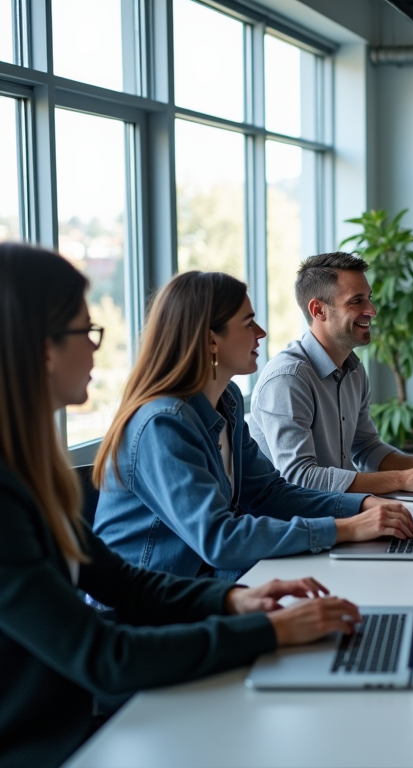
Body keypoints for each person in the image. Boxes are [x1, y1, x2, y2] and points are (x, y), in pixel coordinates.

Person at [0, 243, 364, 768]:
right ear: (42, 349)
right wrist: (271, 627)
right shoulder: (12, 493)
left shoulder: (32, 473)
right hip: (62, 739)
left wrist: (234, 602)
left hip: (89, 702)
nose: (98, 350)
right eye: (86, 331)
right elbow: (105, 657)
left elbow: (122, 581)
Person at [92, 271, 413, 581]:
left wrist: (360, 505)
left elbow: (268, 493)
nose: (261, 333)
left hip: (204, 580)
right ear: (211, 341)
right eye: (248, 323)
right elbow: (220, 540)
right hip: (149, 605)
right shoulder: (163, 424)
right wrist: (347, 528)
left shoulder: (227, 399)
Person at [249, 251, 413, 495]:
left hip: (341, 508)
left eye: (369, 298)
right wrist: (403, 479)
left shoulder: (353, 369)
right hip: (302, 523)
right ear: (319, 310)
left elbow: (367, 449)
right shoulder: (288, 378)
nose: (372, 310)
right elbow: (301, 478)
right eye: (356, 301)